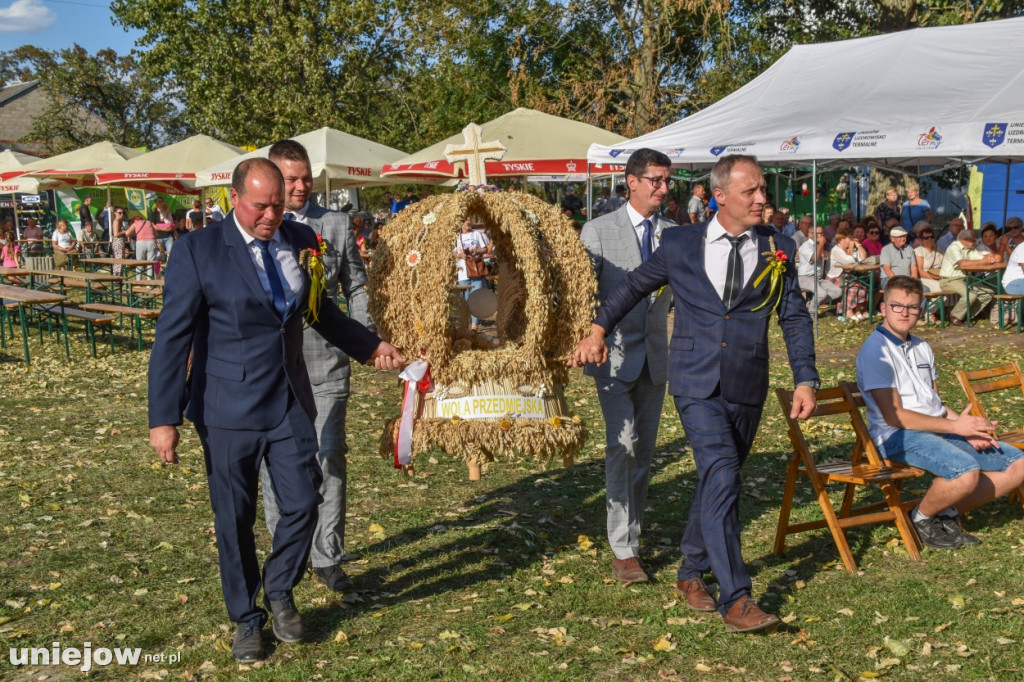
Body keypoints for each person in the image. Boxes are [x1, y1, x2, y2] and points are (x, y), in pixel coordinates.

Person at [147, 158, 404, 662]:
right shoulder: (198, 251)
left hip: (288, 398)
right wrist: (163, 417)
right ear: (235, 199)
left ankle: (280, 587)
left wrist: (371, 347)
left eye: (278, 205)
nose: (271, 215)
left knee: (306, 501)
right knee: (235, 518)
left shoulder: (302, 241)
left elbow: (321, 312)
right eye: (260, 206)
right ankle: (247, 619)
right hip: (225, 407)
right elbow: (172, 336)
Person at [574, 154, 818, 633]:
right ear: (720, 195)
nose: (762, 199)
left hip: (747, 382)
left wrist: (806, 377)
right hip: (693, 382)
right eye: (751, 191)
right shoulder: (681, 242)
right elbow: (632, 287)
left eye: (763, 189)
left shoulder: (778, 246)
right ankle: (738, 598)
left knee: (716, 479)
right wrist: (598, 329)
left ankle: (690, 571)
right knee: (723, 472)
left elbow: (792, 316)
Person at [258, 139, 373, 595]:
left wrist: (361, 336)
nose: (301, 187)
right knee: (276, 465)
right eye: (290, 179)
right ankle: (288, 549)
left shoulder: (336, 224)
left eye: (306, 177)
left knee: (329, 461)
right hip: (273, 370)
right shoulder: (258, 226)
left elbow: (357, 286)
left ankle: (328, 554)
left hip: (326, 365)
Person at [856, 276, 1024, 549]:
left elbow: (934, 403)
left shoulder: (922, 347)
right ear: (883, 307)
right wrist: (957, 429)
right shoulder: (877, 351)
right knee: (964, 470)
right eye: (897, 305)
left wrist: (969, 427)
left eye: (911, 307)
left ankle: (945, 512)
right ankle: (920, 518)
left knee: (1018, 463)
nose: (904, 312)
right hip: (896, 434)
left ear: (920, 309)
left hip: (935, 428)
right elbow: (894, 416)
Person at [578, 148, 675, 586]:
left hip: (656, 358)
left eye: (667, 180)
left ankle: (632, 535)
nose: (664, 188)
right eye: (656, 179)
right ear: (631, 182)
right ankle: (623, 549)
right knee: (622, 445)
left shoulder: (675, 235)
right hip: (612, 358)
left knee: (644, 452)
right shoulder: (598, 231)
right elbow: (582, 296)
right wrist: (589, 335)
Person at [938, 229, 1000, 325]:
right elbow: (962, 264)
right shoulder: (954, 248)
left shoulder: (970, 249)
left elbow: (983, 258)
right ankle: (954, 315)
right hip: (950, 279)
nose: (975, 242)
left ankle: (965, 316)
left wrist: (991, 257)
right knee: (970, 296)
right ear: (965, 240)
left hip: (965, 279)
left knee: (988, 293)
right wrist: (984, 261)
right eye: (973, 240)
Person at [455, 217, 492, 331]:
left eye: (470, 221)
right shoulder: (456, 236)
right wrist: (460, 255)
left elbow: (485, 249)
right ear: (461, 223)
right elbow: (451, 251)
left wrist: (477, 251)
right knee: (465, 298)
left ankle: (474, 325)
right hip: (462, 271)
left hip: (476, 270)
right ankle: (466, 323)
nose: (469, 223)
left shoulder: (476, 234)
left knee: (476, 297)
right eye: (466, 221)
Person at [827, 224, 868, 321]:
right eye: (850, 237)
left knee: (862, 286)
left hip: (848, 277)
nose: (852, 239)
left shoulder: (852, 248)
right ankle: (847, 311)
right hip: (834, 278)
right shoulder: (836, 250)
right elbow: (850, 261)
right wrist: (851, 249)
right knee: (852, 286)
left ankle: (857, 310)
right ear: (843, 238)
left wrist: (858, 245)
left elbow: (863, 258)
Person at [798, 224, 842, 309]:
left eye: (822, 233)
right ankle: (811, 312)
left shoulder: (818, 245)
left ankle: (812, 303)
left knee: (838, 291)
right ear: (810, 234)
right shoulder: (806, 245)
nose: (821, 236)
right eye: (818, 234)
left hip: (818, 278)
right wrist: (822, 244)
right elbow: (815, 258)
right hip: (805, 277)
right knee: (822, 293)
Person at [914, 224, 943, 295]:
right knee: (939, 286)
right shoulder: (919, 250)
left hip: (938, 275)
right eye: (926, 237)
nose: (929, 239)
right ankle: (937, 305)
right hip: (925, 278)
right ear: (921, 239)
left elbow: (946, 264)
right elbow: (920, 271)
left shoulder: (939, 249)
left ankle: (950, 305)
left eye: (932, 237)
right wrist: (934, 279)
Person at [109, 207, 129, 277]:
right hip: (118, 242)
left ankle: (119, 277)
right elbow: (116, 234)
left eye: (123, 213)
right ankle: (117, 278)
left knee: (120, 260)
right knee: (119, 260)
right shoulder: (116, 221)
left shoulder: (120, 221)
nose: (121, 214)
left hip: (121, 242)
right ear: (115, 213)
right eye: (119, 213)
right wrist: (124, 232)